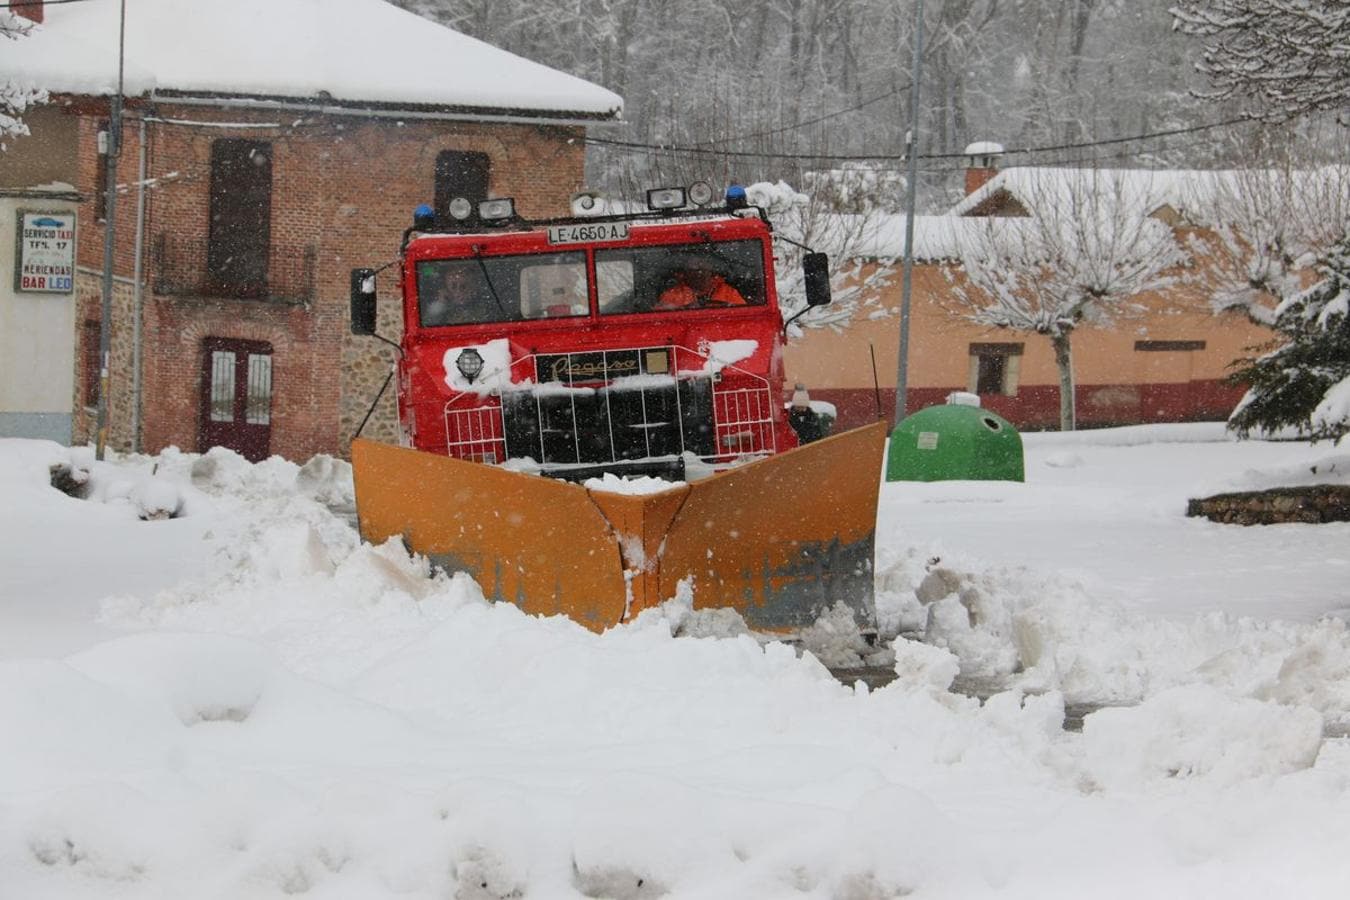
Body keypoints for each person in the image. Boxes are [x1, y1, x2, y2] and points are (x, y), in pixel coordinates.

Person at [421, 263, 499, 326]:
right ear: (446, 287)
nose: (458, 291)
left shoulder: (489, 307)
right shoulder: (440, 309)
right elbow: (426, 327)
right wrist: (440, 305)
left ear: (474, 287)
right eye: (453, 286)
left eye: (463, 286)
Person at [655, 259, 747, 310]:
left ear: (711, 272)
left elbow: (745, 316)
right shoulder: (672, 295)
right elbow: (660, 321)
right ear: (685, 274)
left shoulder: (728, 292)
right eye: (693, 271)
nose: (699, 274)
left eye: (703, 270)